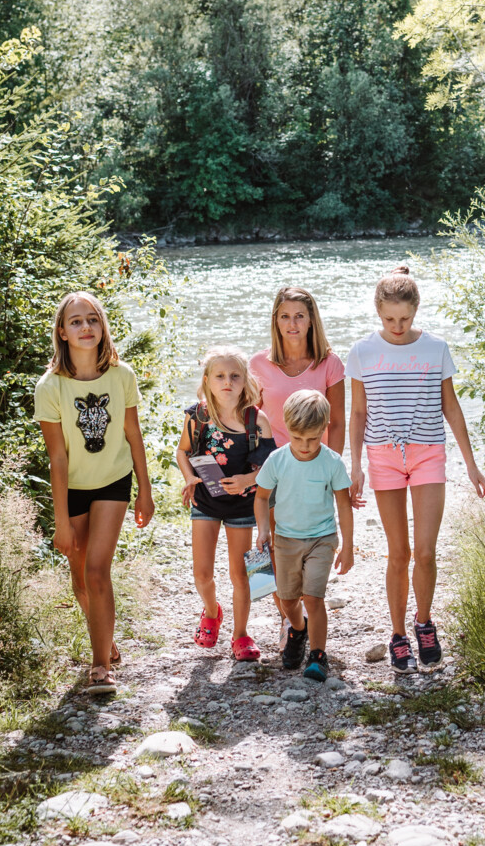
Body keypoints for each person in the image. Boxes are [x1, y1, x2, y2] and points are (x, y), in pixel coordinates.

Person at [347, 265, 485, 674]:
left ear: (416, 311)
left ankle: (424, 624)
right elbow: (358, 413)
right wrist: (354, 464)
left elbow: (451, 408)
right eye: (389, 319)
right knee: (399, 552)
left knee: (425, 552)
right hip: (383, 457)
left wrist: (473, 466)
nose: (397, 326)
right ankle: (397, 636)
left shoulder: (435, 348)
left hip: (429, 454)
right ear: (378, 312)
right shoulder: (361, 351)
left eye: (405, 319)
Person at [35, 291, 155, 695]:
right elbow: (57, 459)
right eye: (76, 321)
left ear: (102, 328)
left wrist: (145, 491)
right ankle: (107, 640)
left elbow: (133, 436)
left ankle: (100, 665)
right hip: (74, 489)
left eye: (93, 320)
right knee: (80, 580)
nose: (86, 327)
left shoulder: (122, 377)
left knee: (97, 570)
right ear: (62, 333)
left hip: (113, 482)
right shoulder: (50, 387)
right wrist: (61, 521)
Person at [177, 347, 276, 661]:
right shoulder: (199, 416)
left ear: (245, 380)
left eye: (235, 376)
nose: (227, 382)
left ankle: (241, 635)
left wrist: (248, 481)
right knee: (202, 573)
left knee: (240, 575)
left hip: (243, 508)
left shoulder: (256, 419)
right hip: (205, 501)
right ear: (207, 380)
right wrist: (189, 477)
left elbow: (271, 465)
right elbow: (183, 451)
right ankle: (211, 611)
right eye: (220, 376)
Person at [253, 389, 354, 681]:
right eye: (298, 439)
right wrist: (262, 530)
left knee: (313, 596)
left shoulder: (332, 462)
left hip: (322, 538)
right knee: (287, 600)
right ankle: (298, 629)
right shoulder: (277, 460)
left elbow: (344, 505)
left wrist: (347, 546)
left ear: (324, 429)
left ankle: (318, 655)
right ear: (287, 429)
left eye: (313, 438)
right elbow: (261, 498)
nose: (306, 446)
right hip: (285, 539)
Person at [249, 287, 346, 452]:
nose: (292, 324)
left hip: (315, 459)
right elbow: (250, 420)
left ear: (311, 320)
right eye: (285, 317)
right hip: (270, 461)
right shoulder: (258, 364)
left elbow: (336, 423)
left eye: (299, 316)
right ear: (276, 321)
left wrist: (333, 467)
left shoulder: (330, 363)